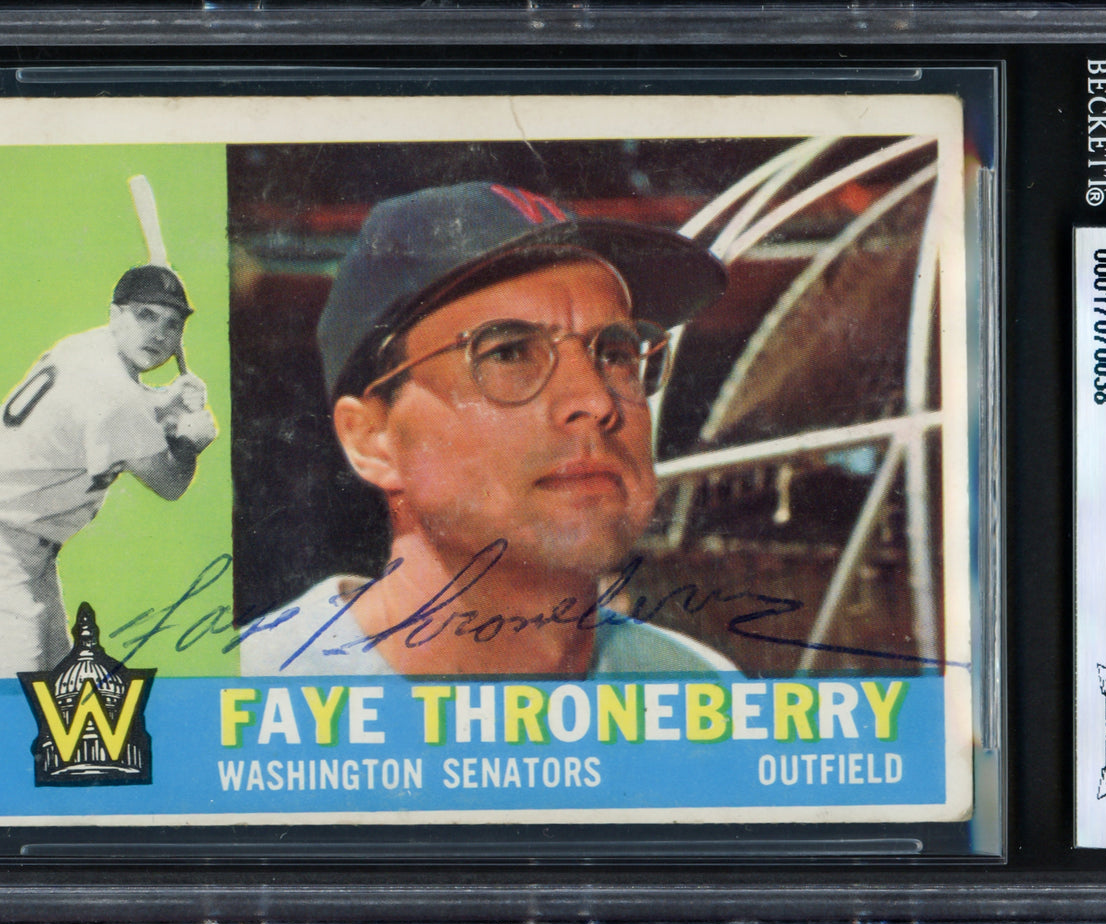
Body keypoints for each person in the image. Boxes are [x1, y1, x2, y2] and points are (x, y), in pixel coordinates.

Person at [237, 181, 738, 677]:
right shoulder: (240, 696)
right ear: (372, 439)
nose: (596, 399)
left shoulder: (701, 688)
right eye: (509, 353)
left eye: (615, 354)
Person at [0, 265, 218, 678]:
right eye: (146, 315)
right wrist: (189, 441)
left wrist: (163, 402)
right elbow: (170, 483)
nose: (159, 334)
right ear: (116, 314)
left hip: (7, 543)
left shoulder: (87, 348)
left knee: (54, 687)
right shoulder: (115, 397)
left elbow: (112, 411)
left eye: (173, 324)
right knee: (13, 701)